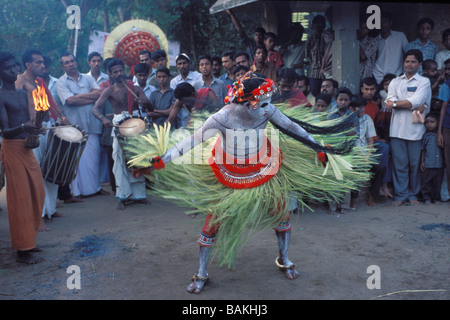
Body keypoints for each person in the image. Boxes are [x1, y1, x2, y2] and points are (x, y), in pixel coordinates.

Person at [130, 72, 372, 294]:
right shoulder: (222, 117)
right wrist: (160, 161)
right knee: (213, 221)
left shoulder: (265, 109)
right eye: (264, 102)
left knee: (281, 213)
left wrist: (318, 147)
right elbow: (189, 143)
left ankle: (284, 259)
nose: (270, 108)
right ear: (248, 103)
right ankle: (202, 272)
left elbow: (292, 127)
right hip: (229, 171)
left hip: (263, 166)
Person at [15, 49, 69, 231]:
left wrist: (61, 116)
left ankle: (50, 209)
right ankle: (36, 217)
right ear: (28, 64)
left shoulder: (40, 82)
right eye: (38, 62)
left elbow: (50, 103)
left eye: (43, 62)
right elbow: (14, 107)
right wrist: (29, 127)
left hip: (46, 128)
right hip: (30, 132)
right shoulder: (20, 81)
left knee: (50, 171)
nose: (42, 65)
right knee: (35, 175)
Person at [0, 51, 46, 264]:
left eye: (15, 66)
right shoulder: (1, 96)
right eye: (8, 67)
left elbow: (30, 120)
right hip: (11, 148)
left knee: (37, 192)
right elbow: (5, 131)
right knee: (20, 199)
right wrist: (23, 128)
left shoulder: (21, 93)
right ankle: (22, 249)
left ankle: (30, 239)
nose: (13, 70)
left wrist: (34, 133)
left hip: (26, 147)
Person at [92, 58, 153, 210]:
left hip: (136, 123)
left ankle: (139, 195)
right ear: (109, 74)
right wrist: (103, 119)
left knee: (138, 159)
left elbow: (150, 106)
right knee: (120, 160)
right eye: (115, 72)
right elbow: (95, 109)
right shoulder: (109, 90)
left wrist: (143, 102)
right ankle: (123, 196)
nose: (119, 74)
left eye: (120, 70)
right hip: (119, 124)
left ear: (124, 71)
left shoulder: (135, 88)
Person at [56, 52, 108, 199]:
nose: (71, 64)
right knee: (76, 161)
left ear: (76, 62)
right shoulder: (61, 82)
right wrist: (89, 98)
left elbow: (99, 94)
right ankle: (77, 192)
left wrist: (77, 97)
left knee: (93, 159)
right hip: (74, 127)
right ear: (63, 66)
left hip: (92, 124)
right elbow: (69, 101)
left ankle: (94, 188)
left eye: (72, 61)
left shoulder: (88, 78)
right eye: (67, 62)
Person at [386, 49, 431, 206]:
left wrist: (398, 104)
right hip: (396, 130)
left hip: (415, 130)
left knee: (414, 165)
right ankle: (400, 194)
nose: (409, 64)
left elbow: (417, 101)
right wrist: (407, 103)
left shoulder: (423, 82)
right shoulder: (395, 81)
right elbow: (388, 103)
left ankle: (413, 194)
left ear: (419, 64)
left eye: (413, 61)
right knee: (400, 164)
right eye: (407, 61)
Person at [349, 96, 386, 207]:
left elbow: (370, 141)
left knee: (380, 168)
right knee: (355, 168)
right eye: (359, 107)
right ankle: (353, 198)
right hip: (351, 155)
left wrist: (367, 156)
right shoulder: (347, 119)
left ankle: (372, 194)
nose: (362, 110)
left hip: (365, 154)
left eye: (362, 107)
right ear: (352, 108)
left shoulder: (367, 118)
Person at [372, 12, 408, 84]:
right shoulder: (375, 40)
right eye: (380, 23)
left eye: (385, 22)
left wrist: (404, 72)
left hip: (397, 75)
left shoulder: (400, 36)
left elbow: (408, 54)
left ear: (390, 22)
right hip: (378, 75)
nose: (382, 25)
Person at [420, 113, 444, 205]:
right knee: (426, 182)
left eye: (432, 122)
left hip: (439, 164)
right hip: (428, 164)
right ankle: (427, 198)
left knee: (437, 183)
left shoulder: (440, 136)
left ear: (438, 123)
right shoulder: (426, 136)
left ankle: (436, 198)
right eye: (427, 122)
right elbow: (423, 150)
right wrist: (422, 162)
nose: (429, 124)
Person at [436, 58, 450, 199]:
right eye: (447, 69)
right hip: (447, 126)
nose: (448, 71)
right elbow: (443, 109)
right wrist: (439, 131)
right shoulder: (446, 86)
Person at [305, 15, 327, 96]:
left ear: (324, 26)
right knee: (314, 91)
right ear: (313, 26)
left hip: (326, 71)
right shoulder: (310, 39)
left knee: (326, 92)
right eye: (316, 24)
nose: (318, 26)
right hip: (314, 71)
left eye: (320, 24)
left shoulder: (327, 37)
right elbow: (308, 56)